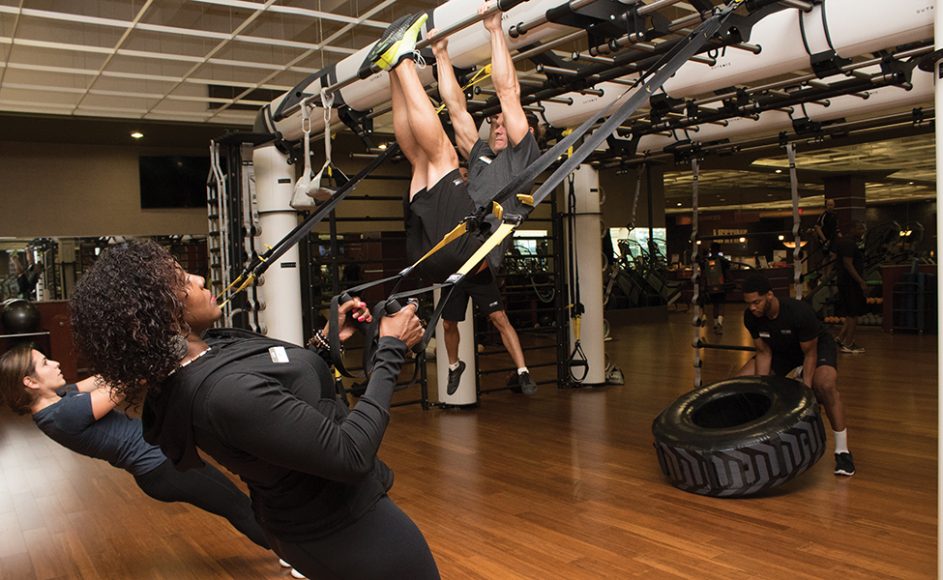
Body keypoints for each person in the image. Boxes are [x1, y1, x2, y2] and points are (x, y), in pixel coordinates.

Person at [69, 240, 438, 580]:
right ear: (157, 313)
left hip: (325, 520)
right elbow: (351, 453)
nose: (199, 279)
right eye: (182, 281)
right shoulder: (223, 394)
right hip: (347, 533)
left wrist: (324, 342)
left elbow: (277, 392)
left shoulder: (209, 350)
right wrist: (390, 349)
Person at [0, 344, 284, 566]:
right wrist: (147, 358)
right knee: (237, 506)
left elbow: (102, 380)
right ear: (30, 382)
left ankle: (290, 545)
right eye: (45, 363)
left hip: (160, 467)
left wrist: (133, 353)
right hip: (165, 470)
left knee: (238, 500)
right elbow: (122, 386)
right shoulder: (63, 415)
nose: (56, 363)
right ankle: (297, 557)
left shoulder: (56, 404)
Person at [430, 5, 538, 395]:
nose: (498, 126)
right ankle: (456, 364)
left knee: (498, 320)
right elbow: (456, 109)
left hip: (483, 260)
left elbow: (508, 91)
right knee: (447, 323)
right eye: (493, 123)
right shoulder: (479, 158)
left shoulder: (522, 155)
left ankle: (523, 372)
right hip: (457, 255)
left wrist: (494, 29)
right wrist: (441, 54)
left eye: (504, 123)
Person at [738, 273, 855, 477]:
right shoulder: (751, 317)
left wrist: (806, 392)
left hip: (814, 348)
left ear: (770, 295)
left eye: (756, 302)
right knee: (741, 384)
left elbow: (810, 353)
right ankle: (754, 443)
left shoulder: (798, 312)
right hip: (781, 351)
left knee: (824, 386)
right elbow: (764, 352)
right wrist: (761, 389)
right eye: (749, 303)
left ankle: (842, 451)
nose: (752, 308)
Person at [834, 221, 869, 353]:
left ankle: (841, 338)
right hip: (850, 283)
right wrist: (861, 281)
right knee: (853, 313)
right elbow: (848, 264)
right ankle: (848, 343)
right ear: (854, 229)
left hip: (846, 282)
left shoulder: (845, 242)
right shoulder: (848, 244)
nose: (862, 233)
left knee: (850, 313)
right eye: (861, 229)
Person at [698, 242, 730, 335]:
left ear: (710, 250)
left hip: (709, 286)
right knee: (720, 304)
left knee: (713, 305)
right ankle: (719, 323)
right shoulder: (723, 261)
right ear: (720, 250)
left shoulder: (705, 261)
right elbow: (727, 273)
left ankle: (712, 322)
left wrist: (703, 286)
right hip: (721, 285)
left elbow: (703, 274)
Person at [812, 198, 839, 283]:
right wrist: (824, 239)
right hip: (825, 239)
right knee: (827, 256)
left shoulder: (835, 215)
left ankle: (828, 273)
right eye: (828, 205)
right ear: (826, 206)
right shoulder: (823, 215)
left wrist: (839, 234)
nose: (830, 207)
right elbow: (817, 227)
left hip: (832, 238)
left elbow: (836, 228)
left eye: (832, 205)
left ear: (834, 206)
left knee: (833, 255)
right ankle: (825, 274)